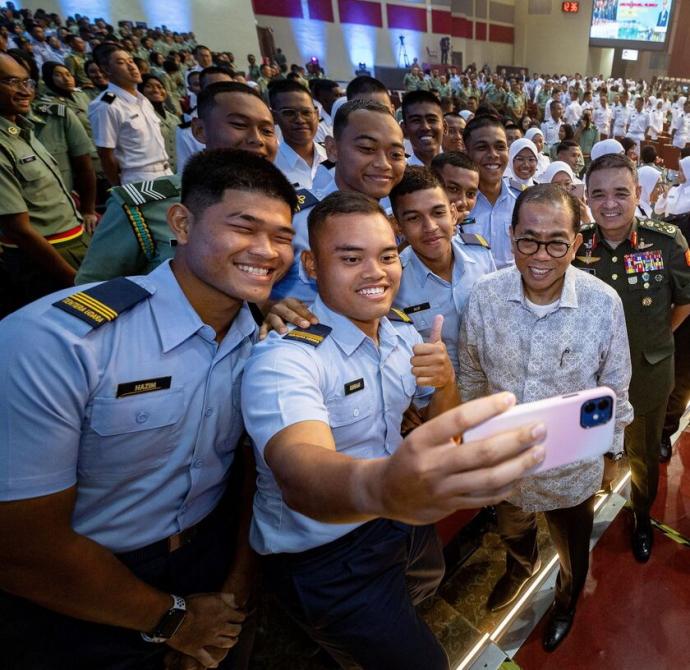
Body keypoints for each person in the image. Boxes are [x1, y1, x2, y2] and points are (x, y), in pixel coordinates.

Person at [0, 149, 297, 670]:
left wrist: (238, 585)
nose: (266, 251)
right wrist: (171, 619)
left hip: (213, 557)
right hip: (79, 591)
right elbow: (22, 544)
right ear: (181, 222)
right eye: (243, 227)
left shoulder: (266, 343)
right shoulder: (60, 341)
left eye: (282, 237)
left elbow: (253, 470)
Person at [242, 190, 547, 669]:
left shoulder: (403, 333)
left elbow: (442, 427)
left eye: (387, 256)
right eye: (350, 258)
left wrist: (443, 381)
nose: (375, 272)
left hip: (402, 521)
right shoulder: (285, 357)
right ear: (311, 264)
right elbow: (299, 469)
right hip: (328, 554)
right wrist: (383, 487)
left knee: (425, 581)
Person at [459, 183, 633, 652]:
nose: (541, 255)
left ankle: (567, 600)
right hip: (507, 465)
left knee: (573, 548)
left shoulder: (603, 304)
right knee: (512, 530)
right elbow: (471, 375)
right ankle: (520, 569)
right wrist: (474, 446)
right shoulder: (485, 298)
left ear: (576, 243)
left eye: (557, 242)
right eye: (528, 240)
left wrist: (612, 452)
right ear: (511, 236)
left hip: (571, 472)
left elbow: (615, 388)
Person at [573, 153, 690, 562]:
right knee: (589, 451)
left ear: (638, 193)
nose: (610, 203)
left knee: (643, 456)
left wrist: (653, 340)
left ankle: (640, 516)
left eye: (621, 193)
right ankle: (581, 515)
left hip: (647, 374)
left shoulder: (666, 242)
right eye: (599, 194)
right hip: (588, 381)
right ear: (586, 197)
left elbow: (683, 303)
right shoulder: (575, 244)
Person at [76, 81, 278, 285]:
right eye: (239, 125)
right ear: (200, 130)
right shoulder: (143, 206)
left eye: (267, 131)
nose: (257, 139)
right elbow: (92, 292)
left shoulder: (280, 204)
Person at [270, 99, 407, 303]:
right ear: (333, 149)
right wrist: (268, 308)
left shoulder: (395, 216)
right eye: (367, 149)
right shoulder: (295, 219)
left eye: (395, 154)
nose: (383, 164)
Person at [0, 51, 88, 313]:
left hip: (73, 242)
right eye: (12, 82)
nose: (25, 90)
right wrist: (72, 279)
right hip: (44, 259)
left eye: (26, 82)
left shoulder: (22, 131)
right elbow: (18, 230)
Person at [391, 166, 496, 375]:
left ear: (454, 213)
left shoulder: (481, 254)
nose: (430, 226)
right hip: (437, 395)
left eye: (438, 213)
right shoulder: (395, 281)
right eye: (414, 218)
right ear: (398, 227)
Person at [88, 43, 171, 185]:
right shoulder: (106, 105)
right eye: (121, 63)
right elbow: (106, 155)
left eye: (131, 61)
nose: (132, 66)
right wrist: (119, 189)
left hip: (166, 172)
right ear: (106, 69)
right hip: (139, 178)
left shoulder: (143, 99)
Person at [463, 113, 517, 269]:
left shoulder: (522, 201)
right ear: (467, 152)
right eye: (482, 147)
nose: (493, 155)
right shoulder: (455, 202)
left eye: (500, 147)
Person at [270, 79, 327, 189]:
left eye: (306, 112)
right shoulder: (270, 167)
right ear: (274, 117)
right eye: (289, 113)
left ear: (316, 114)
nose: (300, 120)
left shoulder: (334, 156)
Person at [138, 73, 179, 172]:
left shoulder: (174, 118)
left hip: (178, 171)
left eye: (160, 87)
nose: (156, 90)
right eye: (149, 86)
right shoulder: (140, 117)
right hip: (155, 173)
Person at [431, 151, 480, 230]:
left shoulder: (471, 240)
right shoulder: (411, 236)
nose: (463, 202)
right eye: (454, 189)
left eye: (470, 194)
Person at [401, 90, 445, 167]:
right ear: (404, 129)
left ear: (445, 126)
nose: (425, 127)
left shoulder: (460, 171)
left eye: (432, 120)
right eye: (416, 120)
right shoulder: (400, 175)